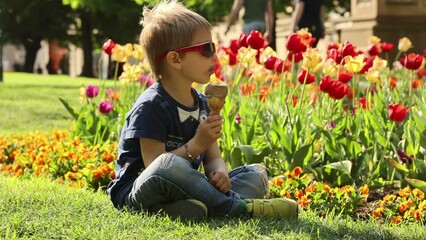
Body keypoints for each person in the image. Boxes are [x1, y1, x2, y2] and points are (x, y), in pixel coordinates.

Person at [107, 0, 298, 220]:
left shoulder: (204, 103)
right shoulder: (151, 106)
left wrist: (221, 174)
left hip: (184, 188)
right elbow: (156, 167)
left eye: (213, 47)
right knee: (167, 166)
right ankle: (239, 208)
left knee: (256, 174)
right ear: (175, 59)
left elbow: (212, 157)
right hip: (138, 191)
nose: (214, 56)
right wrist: (197, 144)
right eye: (206, 49)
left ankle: (183, 208)